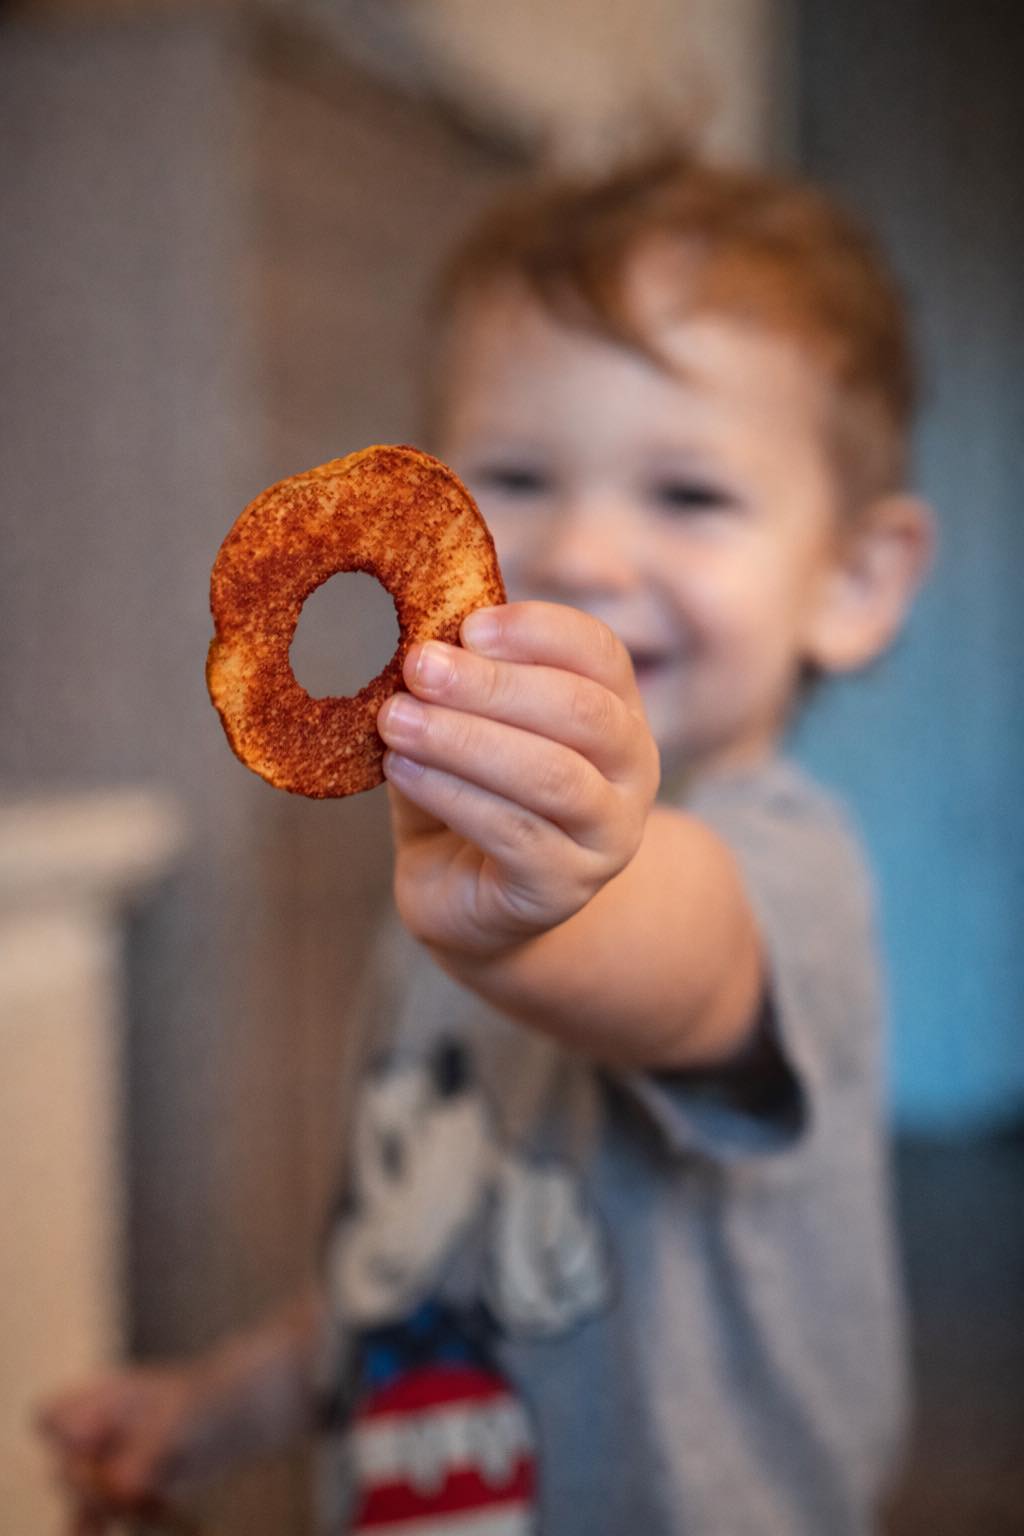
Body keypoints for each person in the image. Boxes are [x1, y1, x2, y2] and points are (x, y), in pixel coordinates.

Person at [37, 152, 933, 1535]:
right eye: (516, 475)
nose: (583, 551)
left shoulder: (778, 870)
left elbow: (675, 951)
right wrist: (215, 1405)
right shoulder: (453, 898)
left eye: (688, 495)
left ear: (856, 582)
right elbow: (415, 1269)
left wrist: (563, 906)